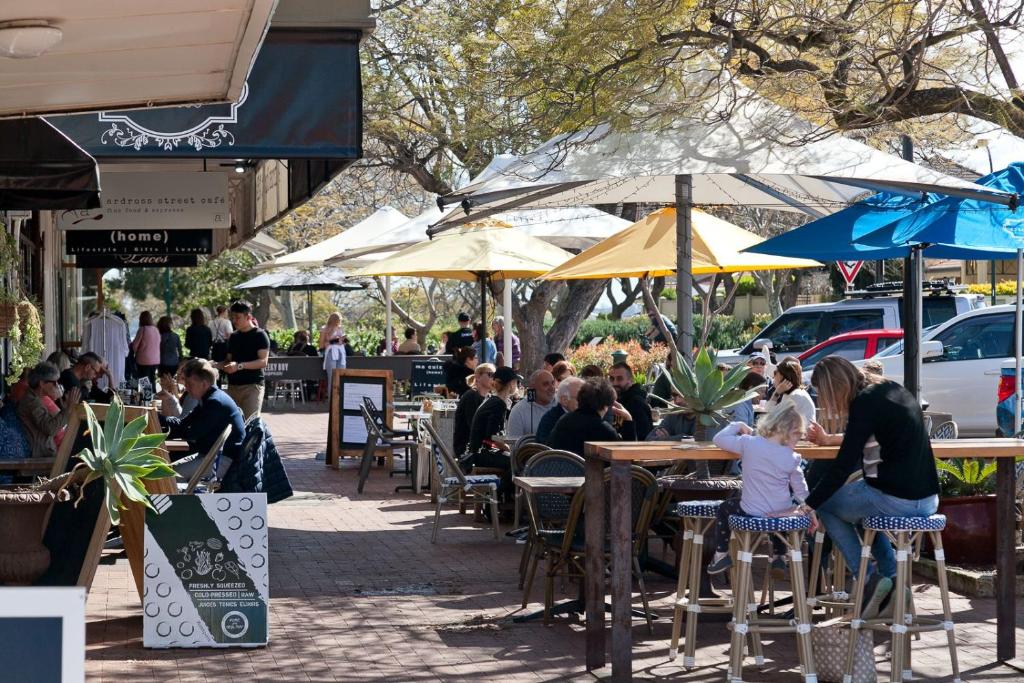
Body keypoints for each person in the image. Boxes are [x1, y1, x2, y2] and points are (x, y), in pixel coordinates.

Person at [805, 356, 939, 620]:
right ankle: (891, 582)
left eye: (824, 395)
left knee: (827, 505)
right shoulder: (890, 389)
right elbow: (864, 436)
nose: (826, 403)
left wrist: (808, 504)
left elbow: (842, 465)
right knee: (856, 506)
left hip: (897, 498)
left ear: (834, 388)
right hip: (927, 498)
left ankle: (867, 580)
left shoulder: (864, 403)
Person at [706, 405, 817, 575]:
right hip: (780, 512)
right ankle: (780, 556)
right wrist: (809, 511)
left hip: (750, 510)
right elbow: (801, 490)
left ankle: (721, 554)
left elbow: (718, 439)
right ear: (786, 430)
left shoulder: (748, 443)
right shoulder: (793, 458)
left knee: (724, 508)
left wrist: (738, 425)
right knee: (783, 509)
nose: (799, 439)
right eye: (798, 434)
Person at [161, 359, 245, 481]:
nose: (187, 389)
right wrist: (157, 418)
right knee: (167, 470)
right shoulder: (208, 398)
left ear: (204, 384)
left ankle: (180, 500)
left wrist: (161, 433)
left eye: (190, 385)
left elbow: (192, 434)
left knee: (170, 476)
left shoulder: (215, 402)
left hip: (222, 460)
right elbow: (183, 423)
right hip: (209, 455)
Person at [547, 378, 630, 457]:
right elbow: (626, 455)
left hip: (553, 470)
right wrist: (628, 420)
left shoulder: (564, 420)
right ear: (605, 405)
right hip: (587, 471)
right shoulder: (603, 428)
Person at [218, 301, 270, 420]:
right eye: (232, 317)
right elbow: (229, 360)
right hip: (232, 386)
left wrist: (239, 366)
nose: (234, 321)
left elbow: (263, 362)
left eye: (238, 317)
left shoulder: (260, 335)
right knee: (232, 423)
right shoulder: (234, 336)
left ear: (249, 317)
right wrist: (215, 365)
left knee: (250, 423)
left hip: (252, 386)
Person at [463, 366, 519, 476]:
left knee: (515, 460)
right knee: (518, 462)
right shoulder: (499, 404)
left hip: (476, 453)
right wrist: (510, 450)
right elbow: (493, 436)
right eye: (516, 382)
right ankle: (504, 491)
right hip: (482, 454)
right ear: (511, 383)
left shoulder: (492, 400)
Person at [17, 362, 80, 458]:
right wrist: (68, 409)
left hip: (45, 452)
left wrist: (64, 405)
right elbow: (50, 429)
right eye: (54, 382)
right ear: (42, 383)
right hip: (40, 456)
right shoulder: (32, 402)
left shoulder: (37, 398)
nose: (57, 385)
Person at [452, 363, 496, 456]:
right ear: (478, 376)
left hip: (482, 447)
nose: (494, 378)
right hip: (468, 451)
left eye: (495, 376)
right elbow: (474, 426)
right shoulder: (471, 396)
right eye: (490, 374)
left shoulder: (489, 398)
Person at [763, 356, 816, 425]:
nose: (773, 377)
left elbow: (771, 418)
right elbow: (768, 413)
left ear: (784, 377)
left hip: (801, 435)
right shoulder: (791, 394)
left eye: (775, 373)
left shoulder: (795, 396)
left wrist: (776, 393)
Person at [608, 361, 653, 440]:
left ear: (630, 380)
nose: (615, 383)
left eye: (620, 378)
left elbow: (642, 437)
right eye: (612, 379)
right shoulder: (614, 400)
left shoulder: (637, 403)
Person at [506, 370, 556, 437]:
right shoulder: (519, 410)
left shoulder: (562, 404)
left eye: (553, 383)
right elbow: (514, 444)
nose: (551, 388)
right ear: (532, 387)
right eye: (545, 384)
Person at [536, 377, 584, 444]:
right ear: (564, 400)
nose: (586, 402)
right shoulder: (550, 419)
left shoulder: (585, 416)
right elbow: (547, 450)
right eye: (581, 398)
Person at [131, 311, 160, 386]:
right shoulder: (156, 330)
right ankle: (153, 395)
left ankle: (146, 396)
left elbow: (135, 346)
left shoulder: (142, 329)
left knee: (144, 380)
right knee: (152, 379)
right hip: (155, 360)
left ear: (141, 319)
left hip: (144, 360)